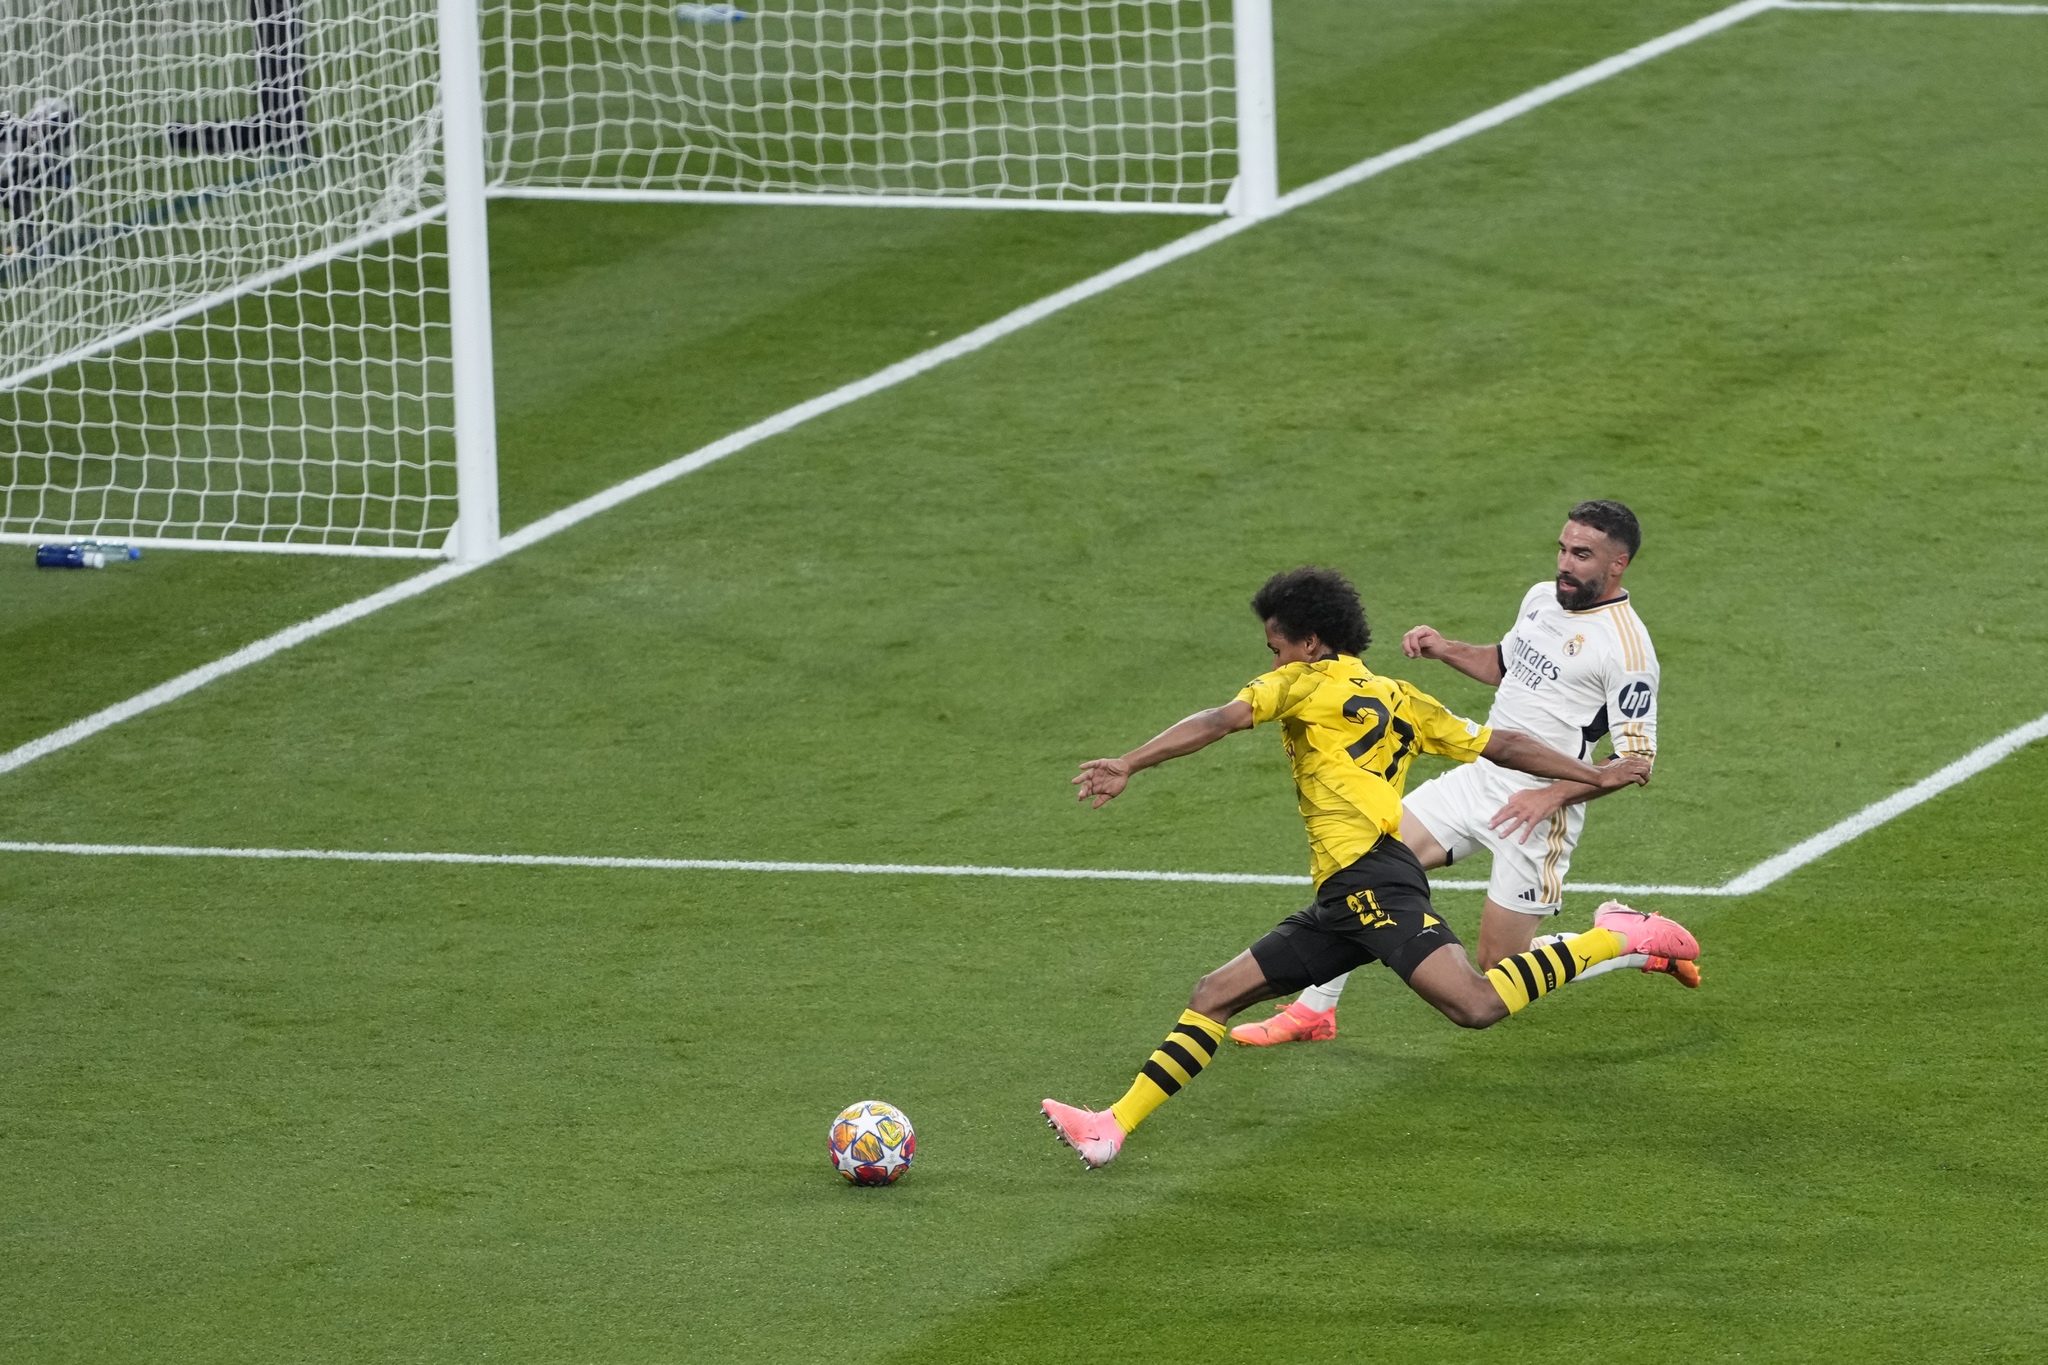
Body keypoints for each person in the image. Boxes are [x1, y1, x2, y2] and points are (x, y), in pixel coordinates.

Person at [1040, 566, 1699, 1169]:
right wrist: (1591, 772)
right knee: (1215, 993)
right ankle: (1110, 1125)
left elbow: (1219, 719)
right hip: (1346, 892)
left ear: (1308, 642)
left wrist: (1129, 761)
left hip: (1370, 881)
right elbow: (1501, 743)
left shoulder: (1298, 683)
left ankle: (1616, 936)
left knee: (1474, 1001)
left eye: (1275, 647)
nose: (1272, 658)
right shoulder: (1399, 695)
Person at [1230, 500, 1689, 1050]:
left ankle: (1619, 937)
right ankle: (1315, 1009)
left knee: (1500, 967)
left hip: (1541, 811)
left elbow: (1636, 763)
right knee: (1360, 872)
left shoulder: (1629, 650)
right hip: (1477, 778)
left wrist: (1550, 799)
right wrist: (1445, 649)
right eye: (1563, 549)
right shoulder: (1542, 599)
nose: (1565, 564)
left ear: (1619, 564)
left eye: (1582, 555)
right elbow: (1506, 666)